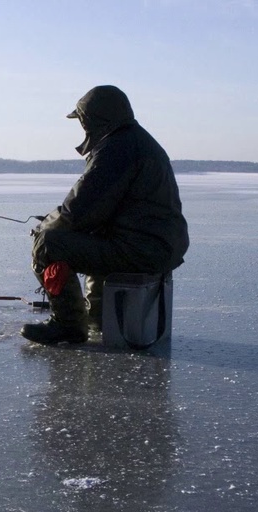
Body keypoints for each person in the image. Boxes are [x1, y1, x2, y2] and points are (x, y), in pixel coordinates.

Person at [21, 85, 190, 345]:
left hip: (142, 250)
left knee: (47, 244)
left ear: (94, 119)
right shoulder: (137, 141)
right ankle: (98, 318)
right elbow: (99, 209)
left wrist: (47, 225)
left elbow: (79, 210)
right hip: (158, 246)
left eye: (83, 121)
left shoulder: (116, 149)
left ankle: (67, 325)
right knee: (91, 236)